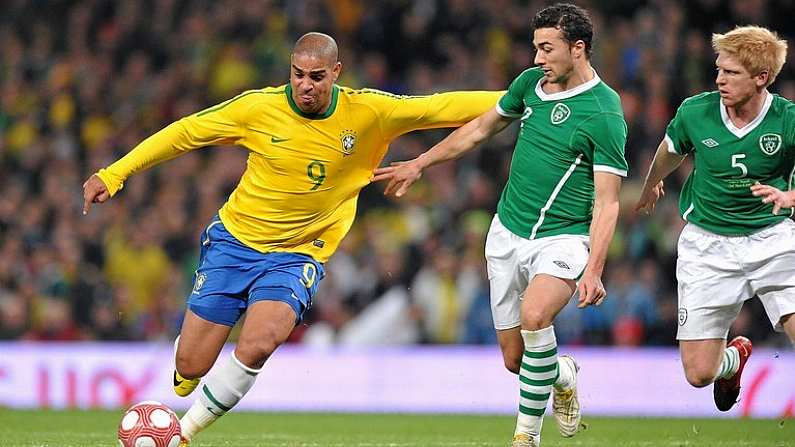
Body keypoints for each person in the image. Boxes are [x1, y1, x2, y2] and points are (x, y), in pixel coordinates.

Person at [82, 32, 501, 445]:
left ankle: (184, 433)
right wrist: (115, 173)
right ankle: (188, 361)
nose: (305, 84)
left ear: (336, 72)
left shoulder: (369, 111)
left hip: (299, 253)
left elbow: (441, 107)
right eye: (298, 74)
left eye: (317, 76)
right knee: (191, 364)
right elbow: (183, 133)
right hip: (234, 243)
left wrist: (523, 95)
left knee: (261, 341)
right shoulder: (257, 108)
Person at [373, 4, 627, 446]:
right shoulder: (530, 85)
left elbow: (607, 203)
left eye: (547, 49)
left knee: (535, 316)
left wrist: (595, 268)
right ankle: (563, 374)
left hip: (563, 238)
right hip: (507, 233)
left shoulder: (604, 113)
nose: (536, 59)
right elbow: (478, 130)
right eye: (535, 48)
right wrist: (420, 162)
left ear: (578, 48)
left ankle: (525, 437)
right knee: (517, 360)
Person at [635, 25, 795, 413]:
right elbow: (671, 149)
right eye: (719, 69)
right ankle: (732, 360)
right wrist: (652, 182)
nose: (720, 79)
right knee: (699, 374)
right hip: (707, 244)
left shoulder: (788, 119)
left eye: (732, 72)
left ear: (761, 78)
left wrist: (791, 195)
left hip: (772, 236)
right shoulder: (695, 111)